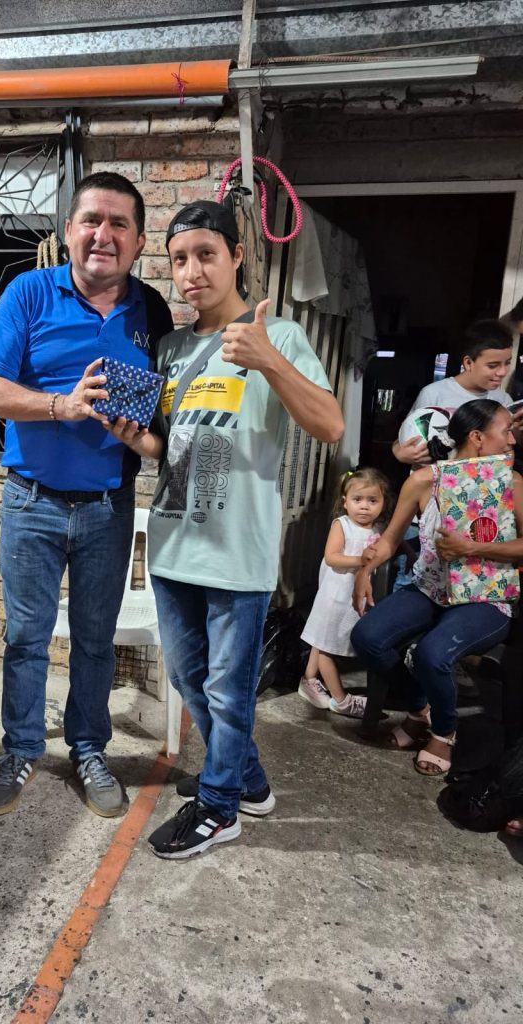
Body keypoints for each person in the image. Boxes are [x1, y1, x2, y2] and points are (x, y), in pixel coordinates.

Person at [104, 199, 344, 858]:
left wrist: (268, 360)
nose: (192, 272)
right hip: (173, 544)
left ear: (237, 256)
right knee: (189, 681)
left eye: (206, 255)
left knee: (228, 692)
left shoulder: (278, 336)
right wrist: (139, 442)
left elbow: (329, 425)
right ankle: (248, 782)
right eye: (180, 259)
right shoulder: (171, 349)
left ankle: (219, 808)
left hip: (238, 551)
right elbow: (172, 448)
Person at [0, 171, 173, 818]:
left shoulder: (153, 311)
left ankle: (89, 749)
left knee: (94, 641)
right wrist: (62, 405)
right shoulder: (29, 292)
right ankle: (21, 749)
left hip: (109, 508)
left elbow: (162, 419)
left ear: (138, 242)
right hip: (30, 502)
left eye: (118, 224)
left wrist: (140, 433)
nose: (102, 235)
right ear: (68, 231)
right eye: (91, 220)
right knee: (26, 638)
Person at [351, 399, 523, 777]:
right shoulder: (423, 481)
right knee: (367, 636)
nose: (512, 440)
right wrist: (365, 571)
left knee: (431, 653)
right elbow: (390, 539)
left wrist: (472, 548)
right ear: (477, 437)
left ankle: (444, 731)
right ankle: (418, 709)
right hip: (430, 588)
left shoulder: (511, 483)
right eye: (506, 431)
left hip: (485, 598)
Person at [298, 468, 389, 718]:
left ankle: (308, 680)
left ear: (383, 503)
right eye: (357, 499)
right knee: (327, 647)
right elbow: (332, 557)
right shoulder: (343, 525)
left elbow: (392, 545)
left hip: (352, 598)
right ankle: (341, 699)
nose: (364, 506)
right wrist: (362, 559)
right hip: (335, 596)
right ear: (345, 501)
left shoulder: (378, 528)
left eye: (372, 500)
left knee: (322, 638)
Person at [392, 319, 515, 466]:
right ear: (468, 363)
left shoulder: (504, 401)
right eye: (493, 365)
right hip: (434, 477)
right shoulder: (434, 393)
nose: (503, 372)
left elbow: (510, 444)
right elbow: (405, 436)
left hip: (483, 478)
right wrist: (399, 452)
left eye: (507, 363)